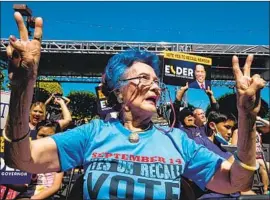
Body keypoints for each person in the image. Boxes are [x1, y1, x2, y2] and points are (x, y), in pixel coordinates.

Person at [4, 12, 266, 199]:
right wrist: (22, 88)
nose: (154, 86)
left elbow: (235, 181)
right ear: (118, 90)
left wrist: (247, 117)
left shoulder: (177, 141)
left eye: (156, 81)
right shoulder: (93, 133)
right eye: (143, 78)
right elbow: (21, 158)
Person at [15, 120, 64, 200]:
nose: (45, 139)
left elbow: (56, 186)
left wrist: (32, 199)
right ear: (35, 135)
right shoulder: (29, 155)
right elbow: (24, 186)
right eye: (41, 135)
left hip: (47, 195)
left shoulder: (59, 158)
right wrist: (5, 181)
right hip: (28, 193)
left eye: (50, 136)